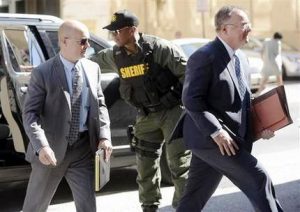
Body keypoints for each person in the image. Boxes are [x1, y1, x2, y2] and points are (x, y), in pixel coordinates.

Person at [176, 5, 283, 212]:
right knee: (259, 179)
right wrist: (216, 132)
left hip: (227, 138)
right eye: (243, 25)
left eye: (249, 24)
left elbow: (244, 101)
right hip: (211, 139)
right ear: (224, 29)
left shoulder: (240, 58)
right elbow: (191, 99)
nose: (249, 29)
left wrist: (262, 126)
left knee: (194, 196)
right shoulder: (204, 56)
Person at [92, 9, 191, 212]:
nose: (114, 35)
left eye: (117, 31)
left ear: (132, 30)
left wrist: (173, 97)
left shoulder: (160, 49)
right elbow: (88, 62)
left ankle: (185, 207)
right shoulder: (114, 55)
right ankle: (149, 206)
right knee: (145, 164)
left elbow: (189, 75)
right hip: (145, 116)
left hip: (172, 112)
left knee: (179, 165)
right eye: (112, 32)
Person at [22, 20, 112, 212]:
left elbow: (100, 105)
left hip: (83, 150)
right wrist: (42, 146)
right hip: (50, 152)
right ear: (64, 41)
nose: (88, 46)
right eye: (83, 41)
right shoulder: (43, 73)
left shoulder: (92, 68)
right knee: (34, 208)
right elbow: (30, 114)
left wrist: (104, 136)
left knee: (88, 207)